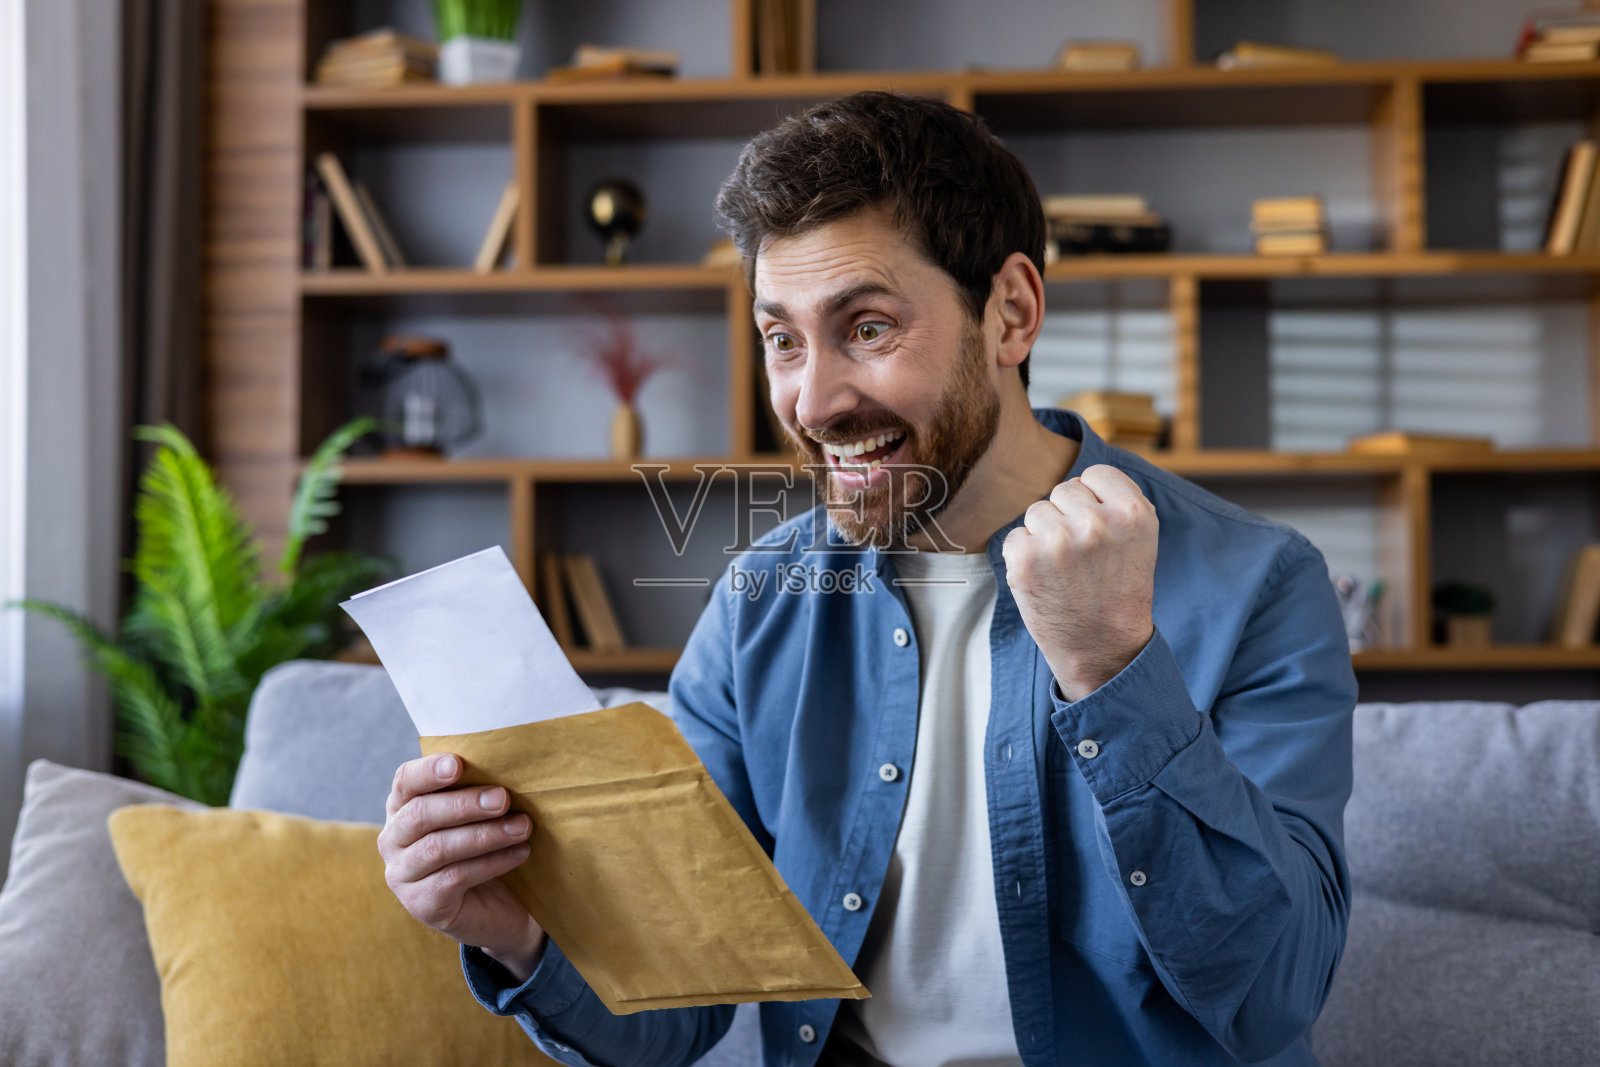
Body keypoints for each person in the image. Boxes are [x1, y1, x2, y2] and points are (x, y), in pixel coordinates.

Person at [377, 92, 1357, 1067]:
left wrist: (1113, 671)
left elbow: (1271, 996)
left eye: (869, 327)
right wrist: (519, 933)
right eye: (782, 338)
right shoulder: (760, 600)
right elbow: (681, 1007)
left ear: (1009, 313)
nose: (813, 399)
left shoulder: (1255, 583)